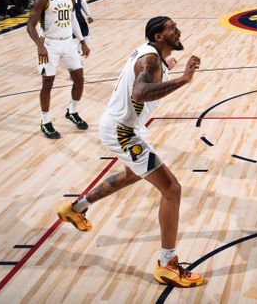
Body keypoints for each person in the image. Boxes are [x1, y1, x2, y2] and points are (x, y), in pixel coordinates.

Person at [57, 17, 204, 288]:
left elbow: (151, 75)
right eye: (172, 28)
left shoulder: (153, 57)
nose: (178, 30)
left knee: (132, 175)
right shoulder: (149, 61)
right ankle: (167, 265)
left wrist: (171, 67)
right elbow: (140, 92)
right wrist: (184, 79)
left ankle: (75, 208)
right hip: (123, 132)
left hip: (121, 127)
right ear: (158, 37)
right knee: (172, 189)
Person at [26, 0, 90, 139]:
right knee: (48, 83)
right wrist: (40, 46)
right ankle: (45, 122)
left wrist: (82, 40)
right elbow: (30, 25)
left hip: (68, 43)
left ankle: (72, 112)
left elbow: (73, 19)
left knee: (79, 79)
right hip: (50, 45)